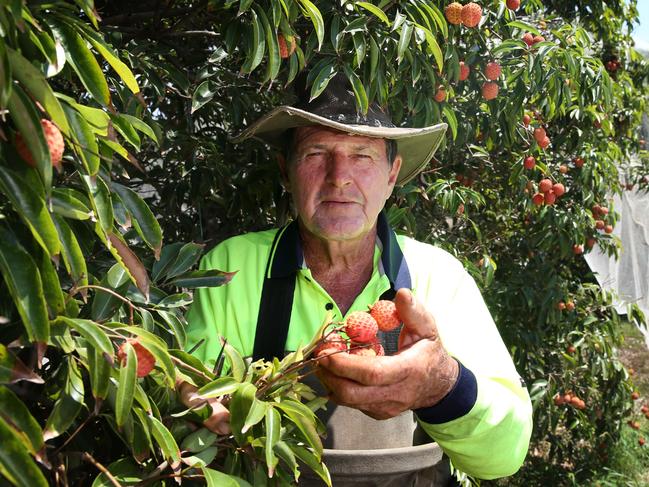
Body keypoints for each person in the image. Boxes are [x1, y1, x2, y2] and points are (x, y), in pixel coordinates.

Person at [181, 74, 533, 484]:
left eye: (362, 156)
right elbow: (196, 403)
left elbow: (506, 454)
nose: (338, 177)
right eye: (316, 153)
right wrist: (200, 409)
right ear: (286, 170)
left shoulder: (439, 277)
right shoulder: (231, 267)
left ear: (391, 175)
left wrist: (442, 386)